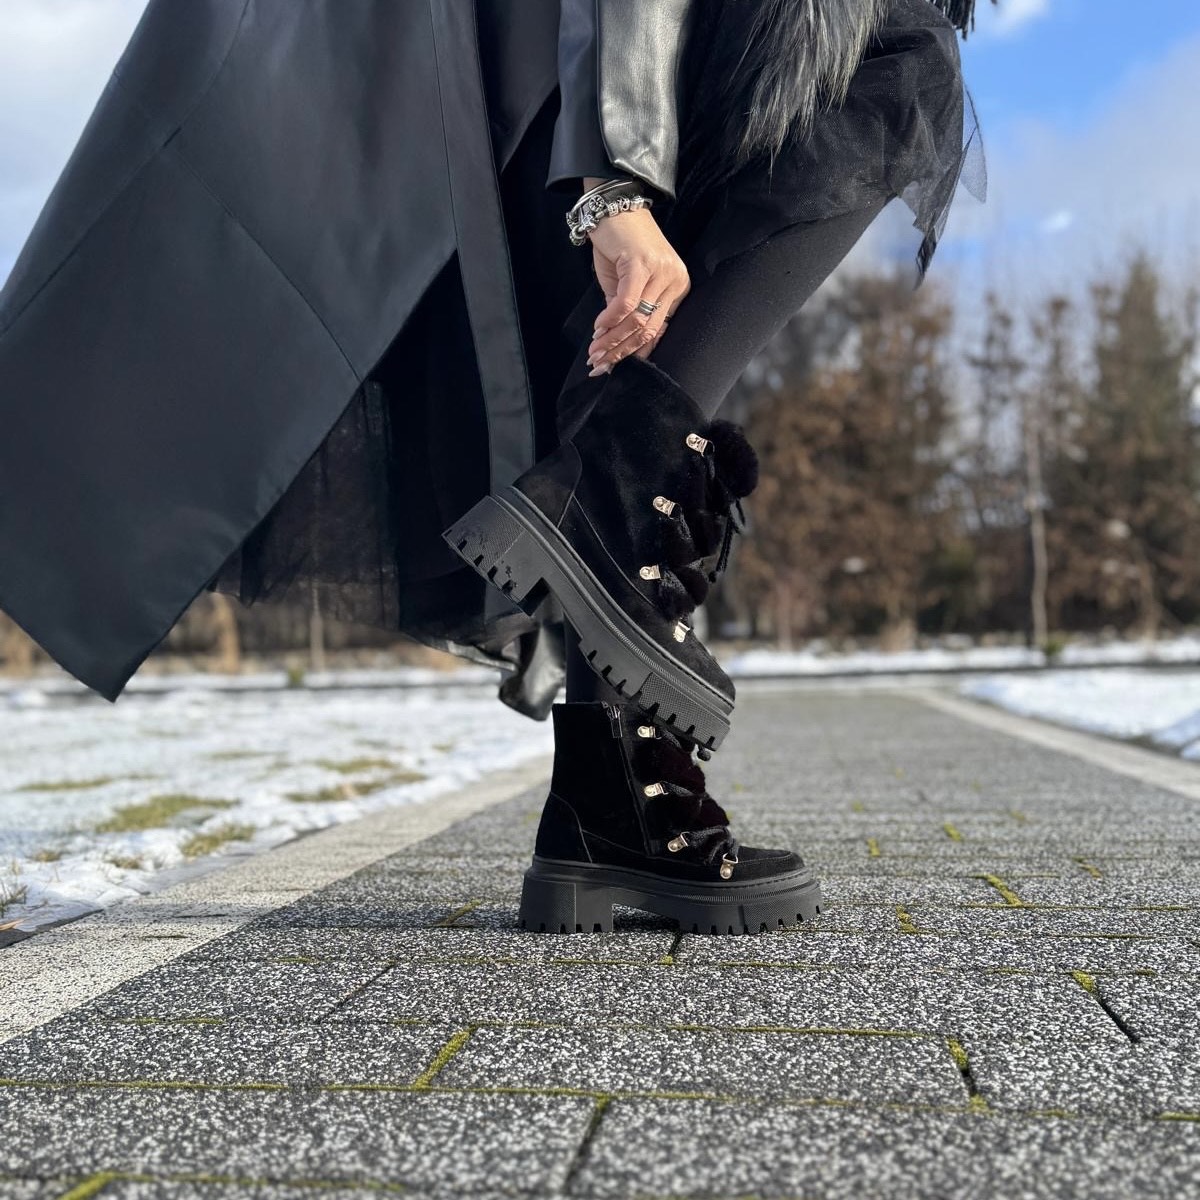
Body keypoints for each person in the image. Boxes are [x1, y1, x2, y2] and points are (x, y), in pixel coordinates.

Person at [0, 0, 986, 934]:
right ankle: (600, 498)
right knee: (897, 63)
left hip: (547, 58)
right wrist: (611, 179)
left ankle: (607, 804)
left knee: (627, 333)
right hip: (558, 50)